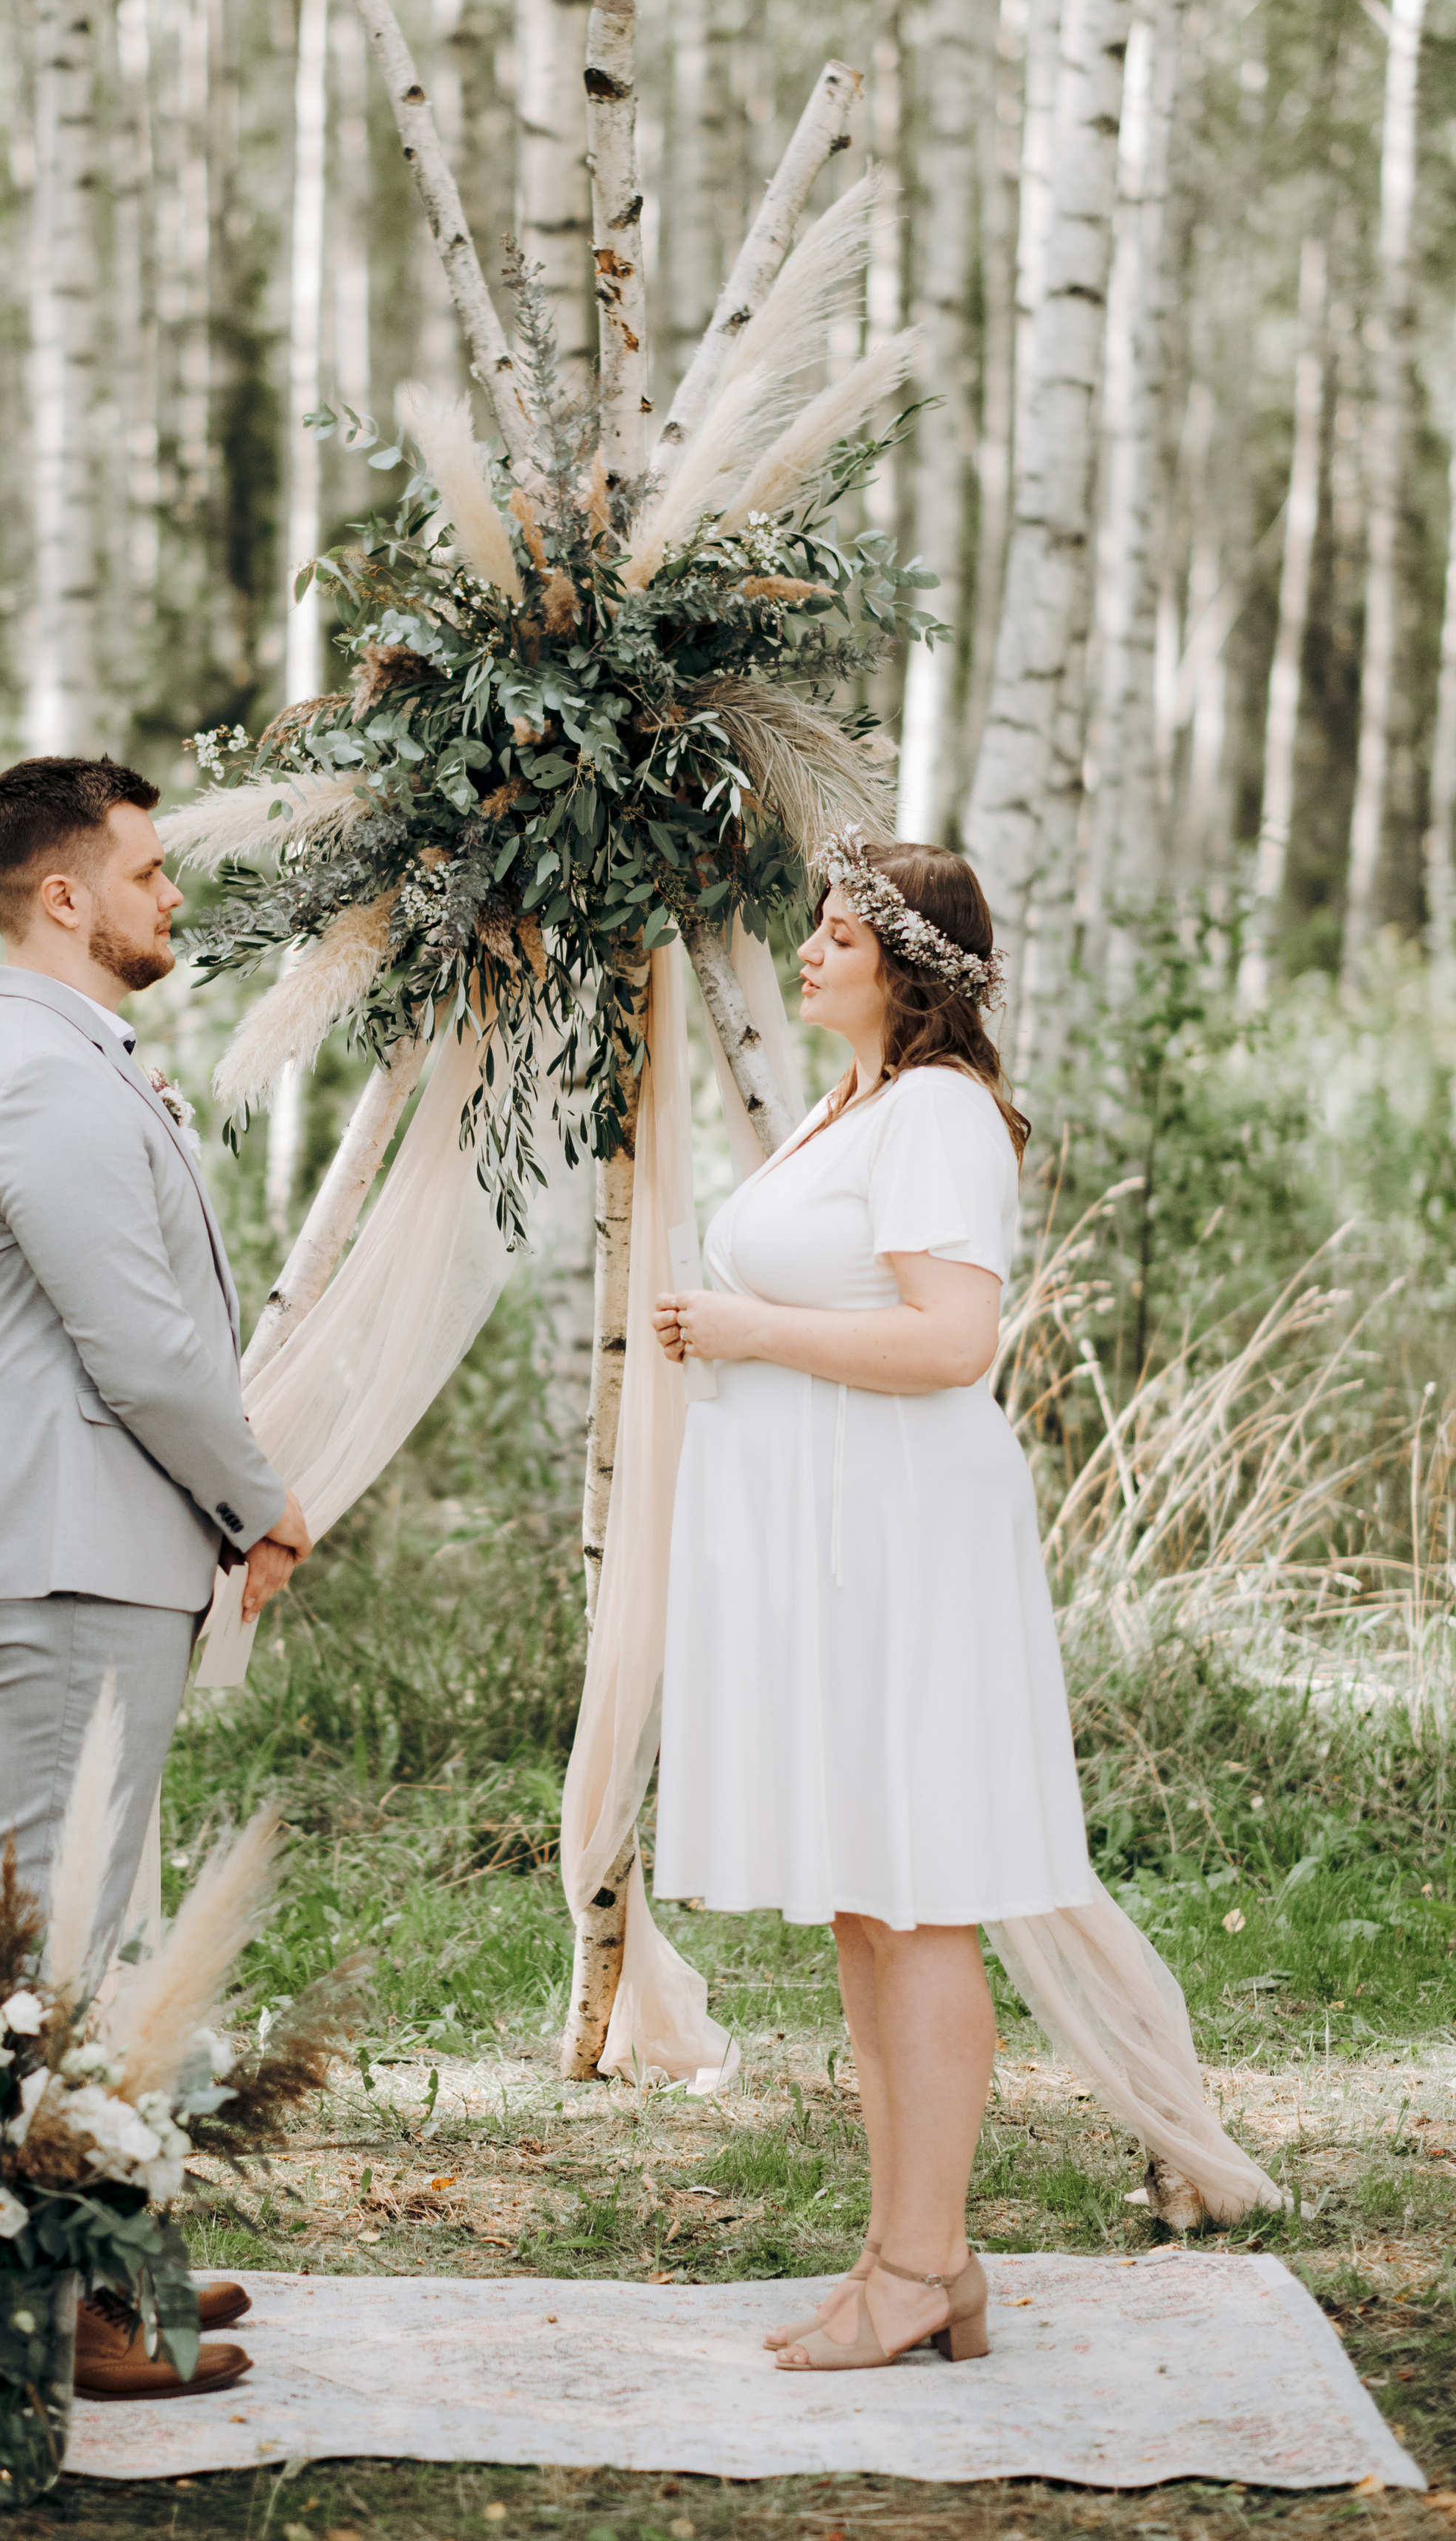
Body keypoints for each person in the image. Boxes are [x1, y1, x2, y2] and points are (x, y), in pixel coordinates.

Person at [651, 834, 1092, 2375]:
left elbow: (948, 1341)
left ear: (909, 967)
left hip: (897, 1544)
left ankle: (919, 2263)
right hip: (823, 1542)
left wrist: (745, 1326)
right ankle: (910, 2256)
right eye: (818, 925)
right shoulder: (848, 1110)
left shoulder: (933, 1114)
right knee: (865, 1893)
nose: (812, 948)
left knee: (915, 1897)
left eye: (841, 931)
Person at [0, 753, 311, 2397]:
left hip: (100, 1547)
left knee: (90, 1929)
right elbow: (141, 1345)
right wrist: (258, 1502)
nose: (172, 895)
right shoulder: (35, 1077)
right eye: (147, 872)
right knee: (36, 1955)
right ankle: (28, 2313)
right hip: (72, 1547)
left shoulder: (74, 1059)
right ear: (63, 897)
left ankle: (107, 2254)